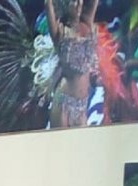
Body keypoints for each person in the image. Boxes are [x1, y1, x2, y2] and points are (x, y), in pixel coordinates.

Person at [45, 0, 100, 128]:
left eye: (80, 1)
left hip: (82, 105)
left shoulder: (87, 23)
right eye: (74, 2)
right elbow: (48, 4)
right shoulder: (60, 31)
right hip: (64, 105)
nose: (79, 4)